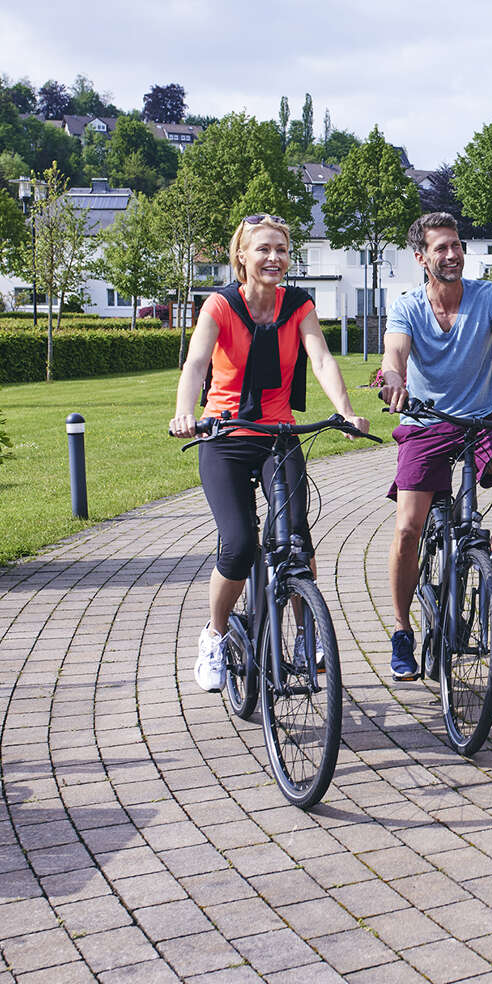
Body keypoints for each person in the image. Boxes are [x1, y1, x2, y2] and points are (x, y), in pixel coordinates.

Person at [170, 214, 370, 692]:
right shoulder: (219, 305)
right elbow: (196, 363)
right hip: (224, 437)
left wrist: (345, 411)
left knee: (296, 538)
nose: (274, 257)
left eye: (281, 249)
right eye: (263, 249)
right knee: (239, 545)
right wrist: (184, 412)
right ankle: (216, 636)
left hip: (277, 438)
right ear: (242, 255)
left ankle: (306, 637)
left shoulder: (297, 306)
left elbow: (320, 357)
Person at [379, 212, 492, 680]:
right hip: (425, 425)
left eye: (456, 245)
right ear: (421, 257)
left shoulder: (489, 296)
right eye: (441, 248)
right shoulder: (408, 307)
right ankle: (402, 631)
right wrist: (394, 381)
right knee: (407, 530)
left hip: (480, 422)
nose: (453, 254)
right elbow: (394, 355)